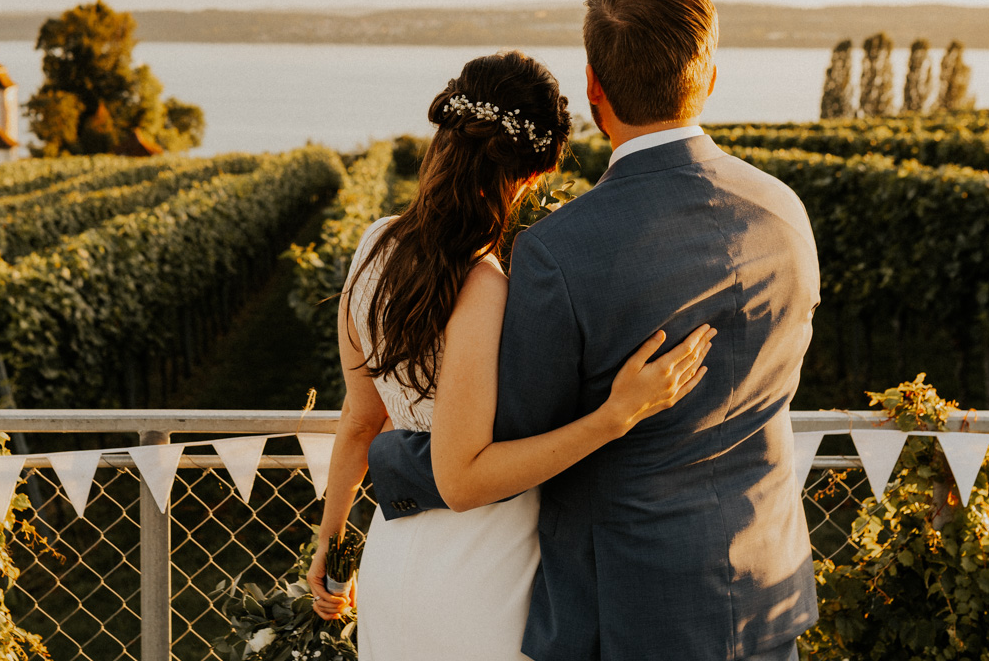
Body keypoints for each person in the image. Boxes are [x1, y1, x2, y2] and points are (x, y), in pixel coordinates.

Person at [361, 0, 821, 661]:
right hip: (765, 592)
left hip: (627, 613)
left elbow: (504, 442)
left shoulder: (559, 251)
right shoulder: (785, 212)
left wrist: (390, 453)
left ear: (595, 87)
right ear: (711, 79)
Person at [306, 47, 717, 660]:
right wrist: (614, 416)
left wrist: (332, 543)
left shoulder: (372, 245)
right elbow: (464, 477)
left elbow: (361, 422)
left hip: (392, 558)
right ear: (530, 175)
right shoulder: (485, 286)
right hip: (481, 572)